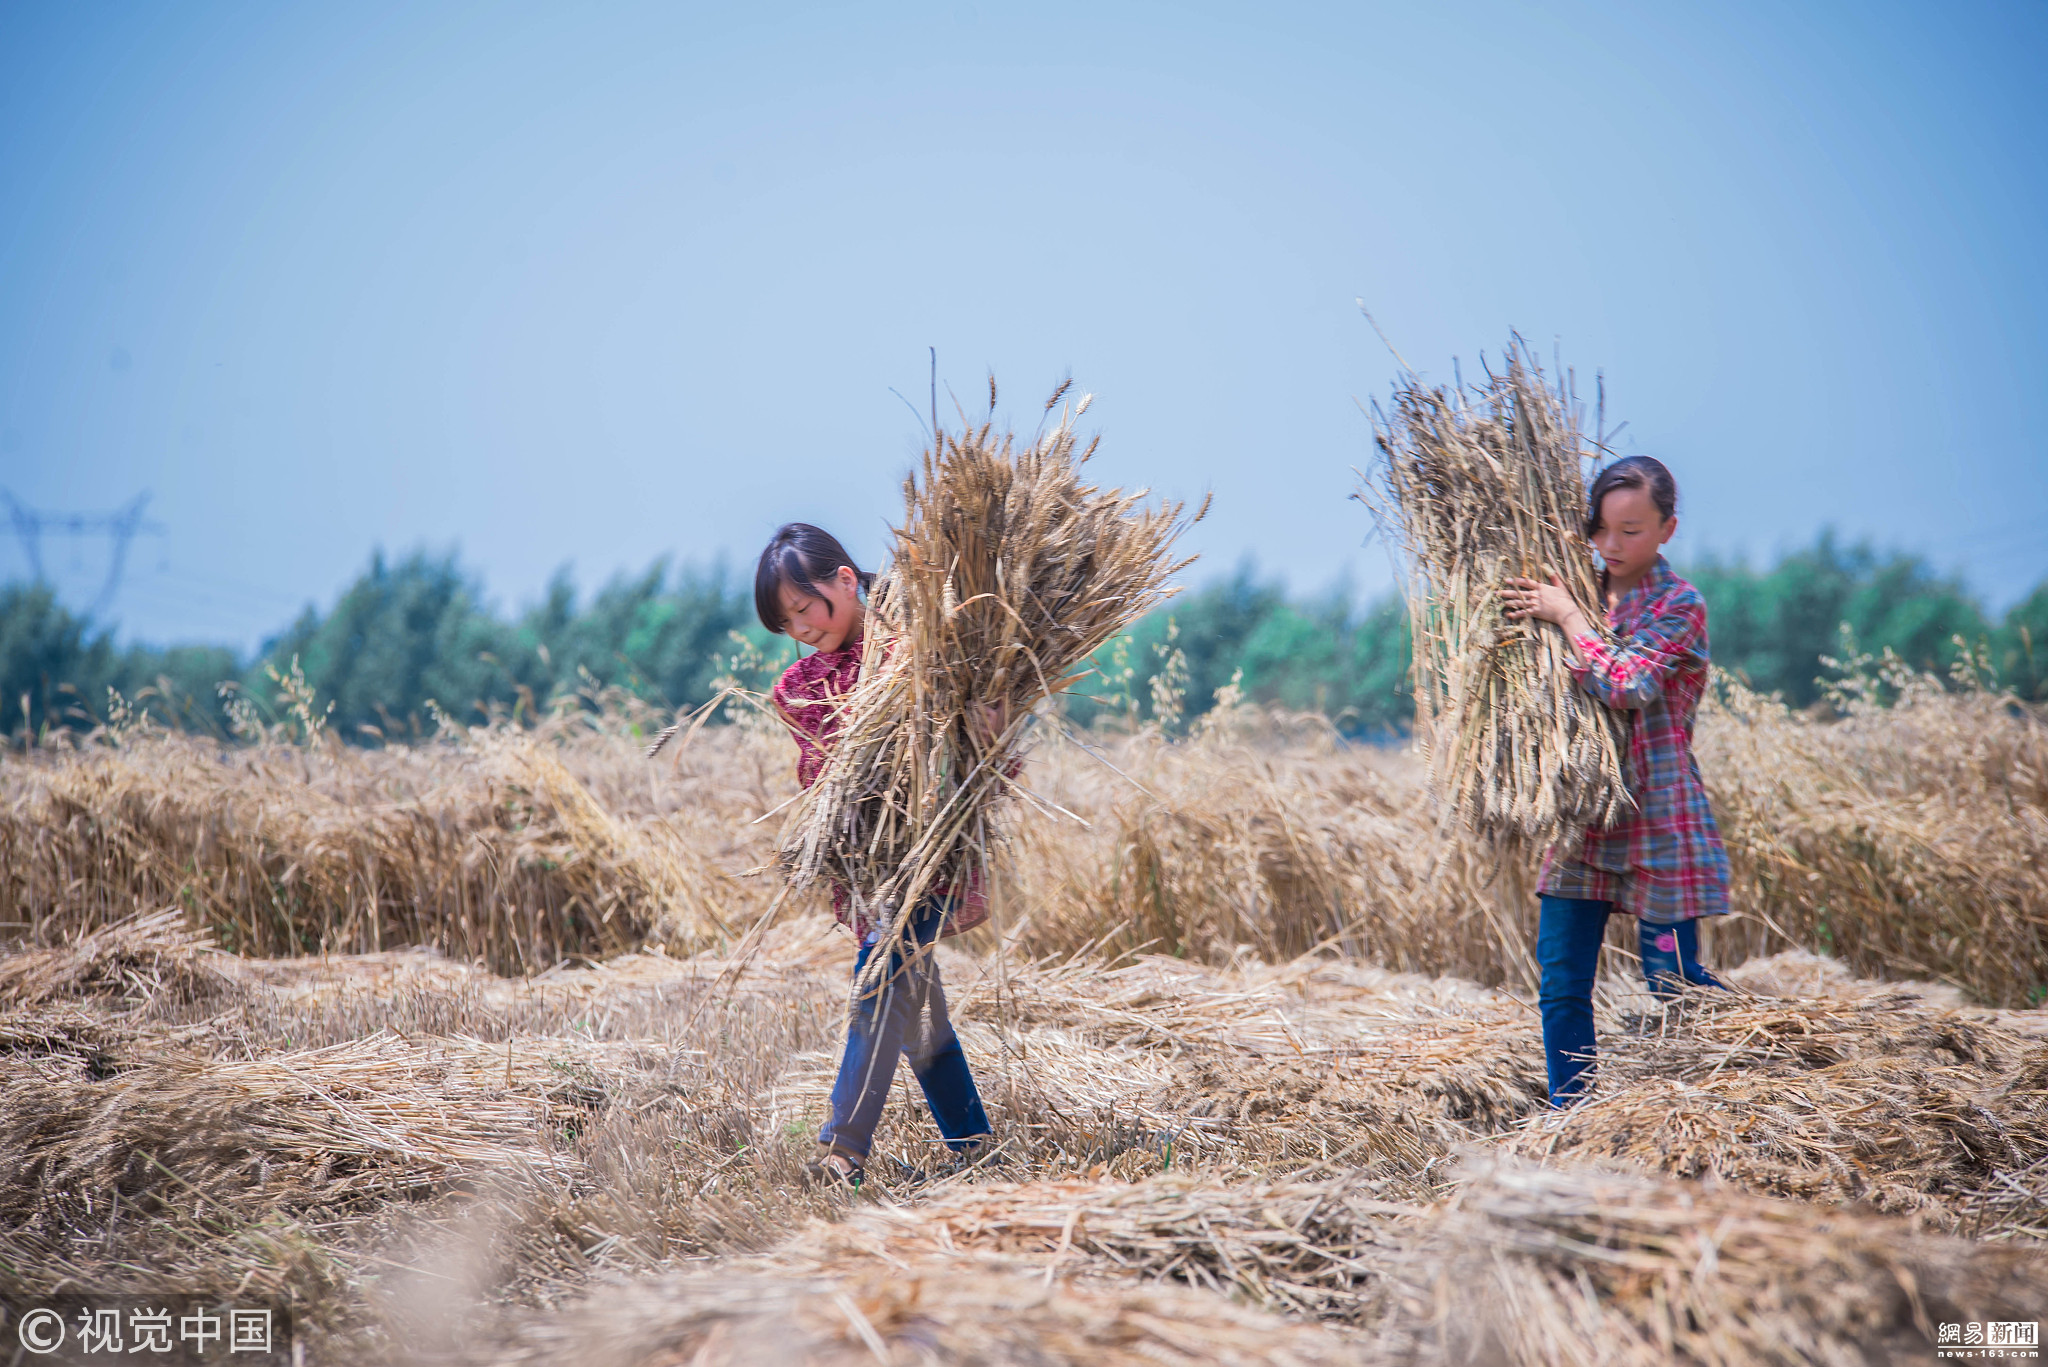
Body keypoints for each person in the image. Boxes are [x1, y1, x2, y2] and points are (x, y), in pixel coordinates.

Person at [757, 522, 995, 1185]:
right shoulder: (806, 685)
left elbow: (973, 721)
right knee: (915, 1008)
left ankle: (844, 1149)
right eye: (787, 621)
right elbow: (823, 779)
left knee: (880, 982)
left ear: (844, 579)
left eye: (806, 607)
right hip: (869, 864)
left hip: (933, 848)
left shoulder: (922, 643)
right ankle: (974, 1145)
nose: (801, 626)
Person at [1505, 456, 1730, 1108]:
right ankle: (1569, 1115)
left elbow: (1630, 684)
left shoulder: (1678, 603)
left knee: (1672, 981)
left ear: (1667, 528)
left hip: (1660, 819)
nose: (1612, 546)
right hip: (1586, 819)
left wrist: (1569, 619)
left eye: (1631, 530)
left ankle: (1725, 1083)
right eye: (1601, 529)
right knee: (1563, 980)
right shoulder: (1570, 581)